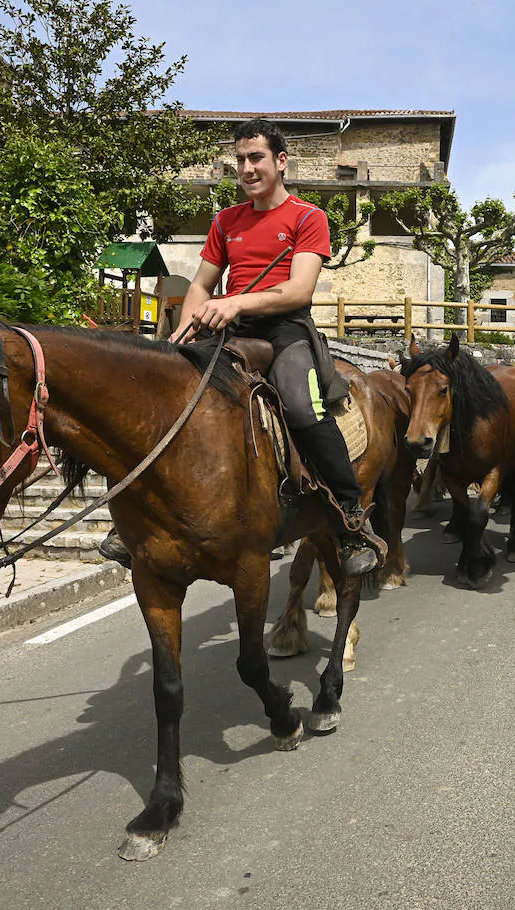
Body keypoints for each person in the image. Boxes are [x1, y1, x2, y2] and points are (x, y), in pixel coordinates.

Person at [99, 118, 384, 576]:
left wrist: (234, 303)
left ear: (281, 162)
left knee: (300, 405)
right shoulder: (225, 221)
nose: (247, 168)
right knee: (164, 395)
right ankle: (134, 515)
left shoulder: (309, 218)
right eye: (240, 160)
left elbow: (300, 291)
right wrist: (186, 327)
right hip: (227, 329)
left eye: (256, 158)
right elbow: (201, 284)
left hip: (284, 330)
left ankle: (350, 517)